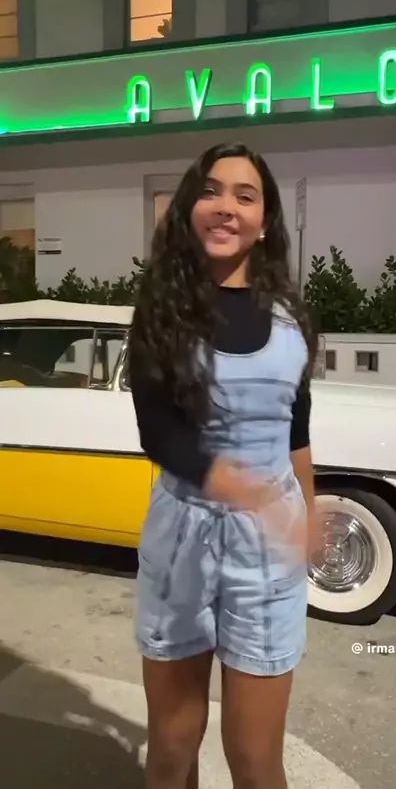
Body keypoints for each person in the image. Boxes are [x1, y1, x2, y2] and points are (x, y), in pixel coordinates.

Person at [128, 141, 318, 789]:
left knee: (255, 758)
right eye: (210, 191)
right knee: (172, 746)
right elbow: (158, 433)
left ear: (264, 221)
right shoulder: (161, 307)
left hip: (268, 551)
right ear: (189, 209)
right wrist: (242, 489)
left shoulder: (292, 319)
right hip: (183, 537)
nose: (226, 206)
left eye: (245, 195)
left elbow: (296, 428)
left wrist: (305, 516)